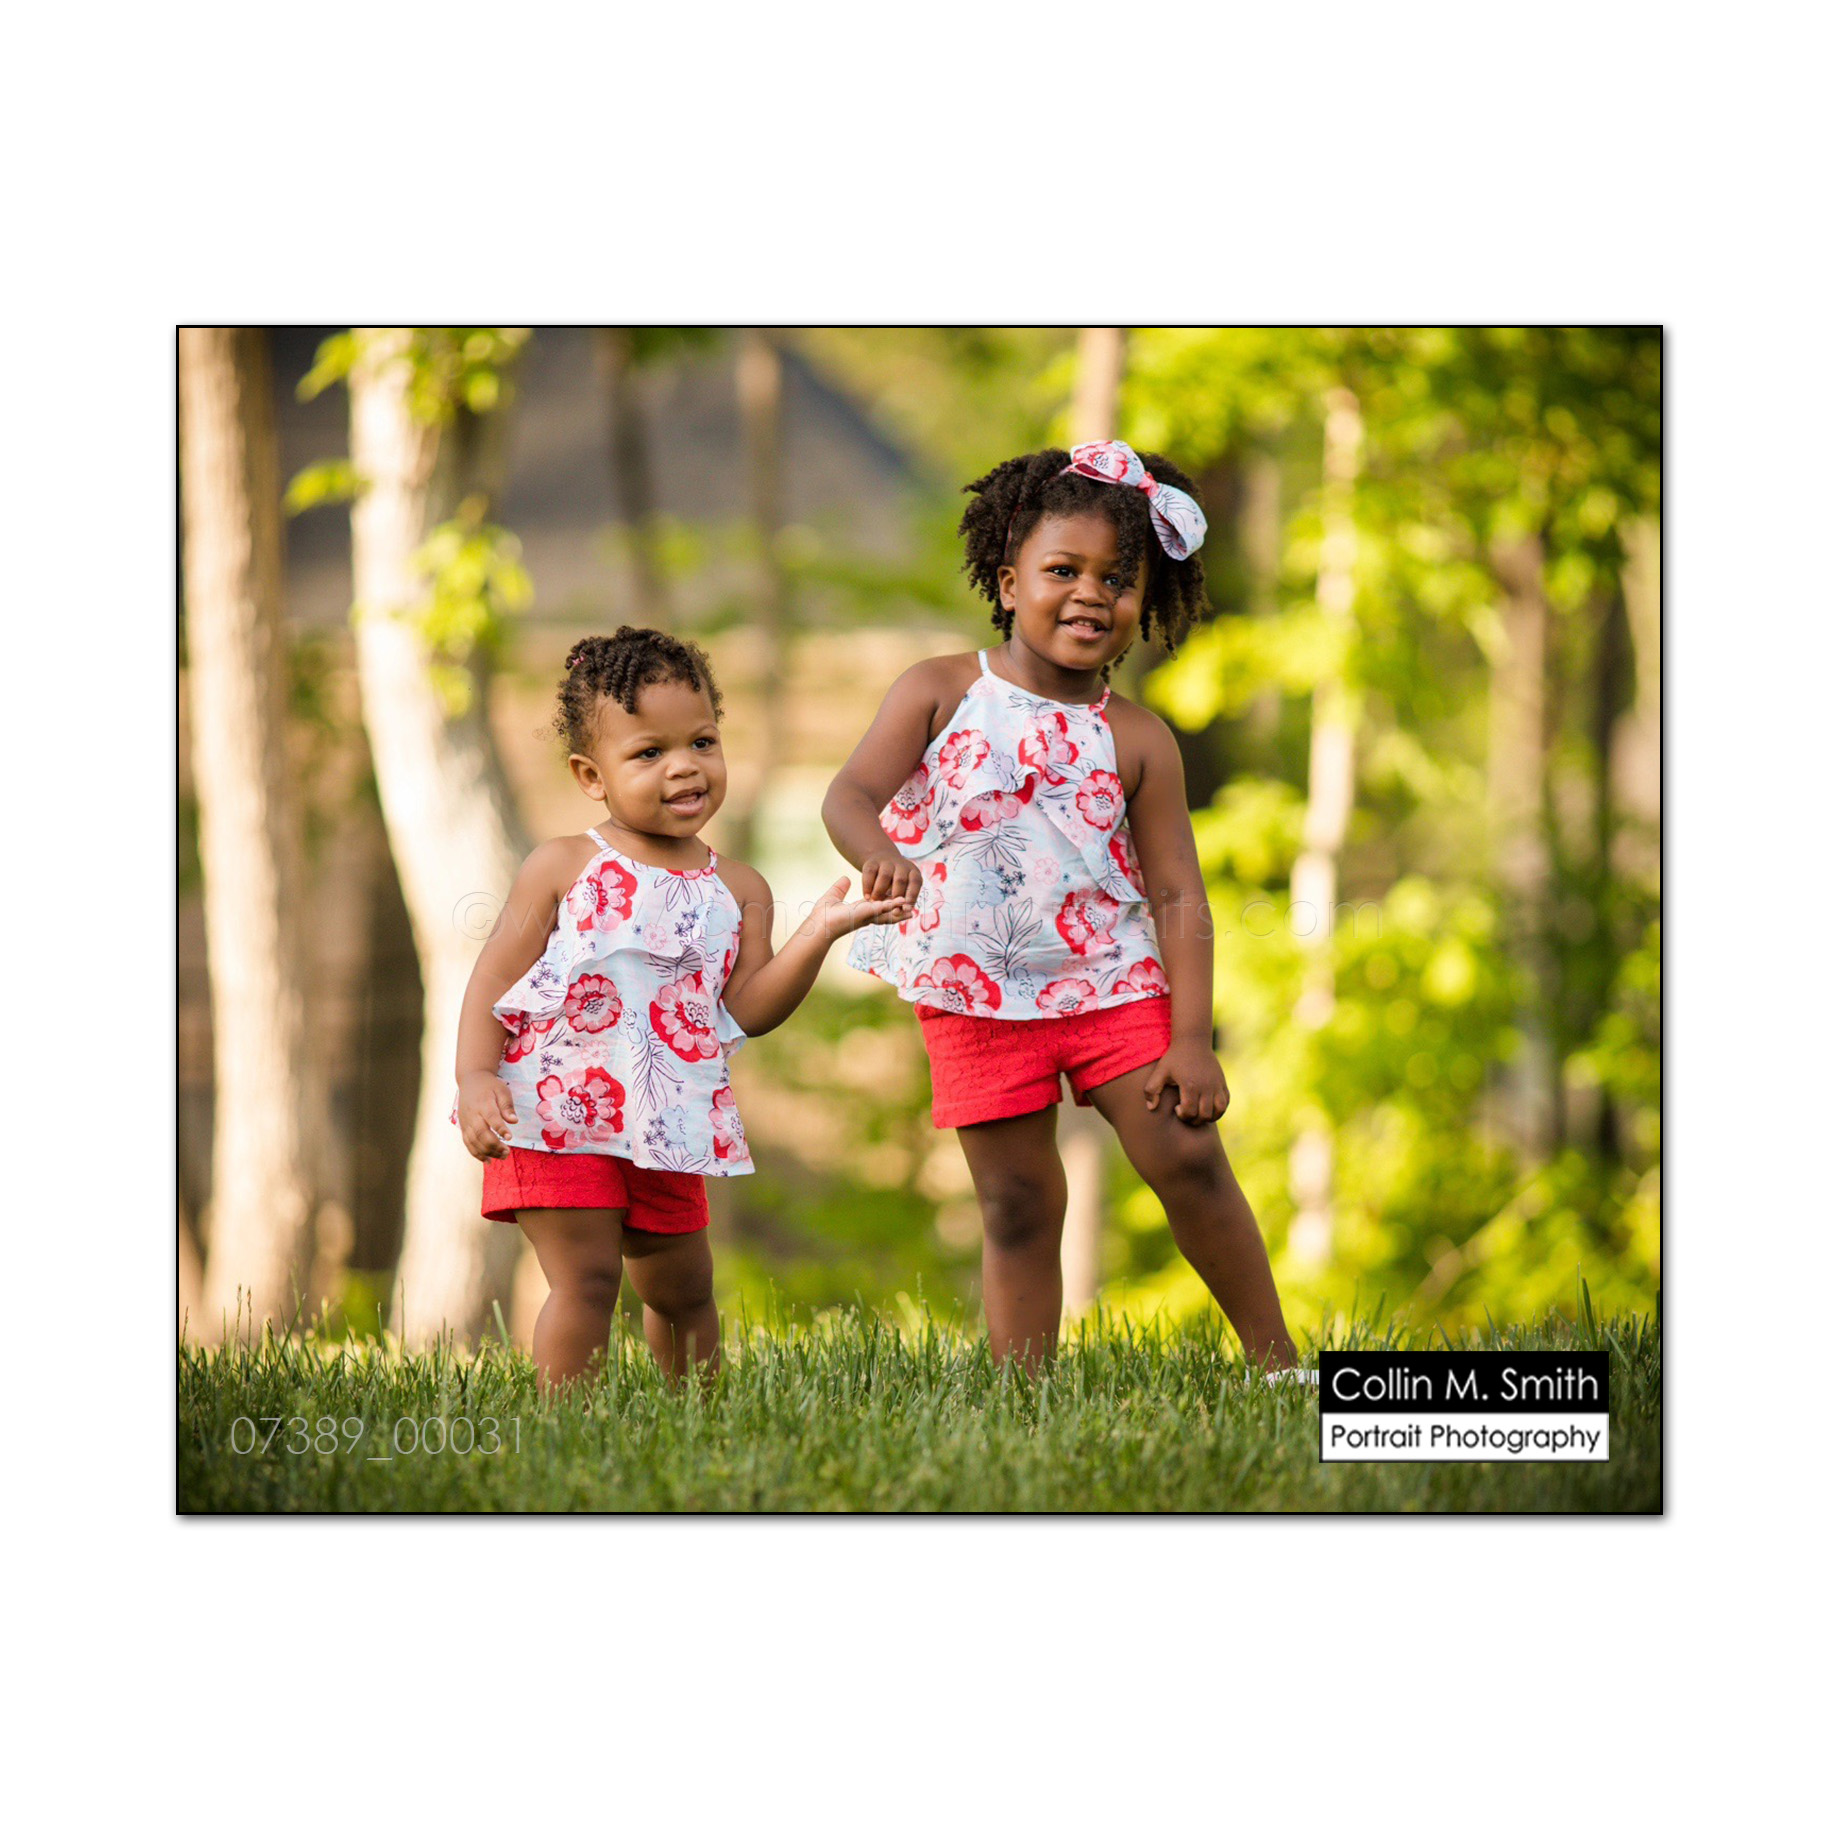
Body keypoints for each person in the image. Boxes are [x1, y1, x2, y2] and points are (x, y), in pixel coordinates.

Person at [824, 442, 1300, 1375]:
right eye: (1063, 571)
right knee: (1018, 1205)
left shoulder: (1139, 738)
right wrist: (878, 854)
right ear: (1008, 584)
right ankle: (1024, 1399)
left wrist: (1192, 1038)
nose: (1091, 593)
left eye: (1118, 579)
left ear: (1144, 604)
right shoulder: (939, 691)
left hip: (1111, 986)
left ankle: (1278, 1365)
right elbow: (849, 796)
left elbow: (1179, 895)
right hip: (974, 994)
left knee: (1187, 1157)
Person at [455, 628, 908, 1389]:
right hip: (557, 1116)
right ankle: (567, 1430)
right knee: (588, 1280)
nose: (685, 765)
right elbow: (493, 978)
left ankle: (699, 1421)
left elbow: (749, 1009)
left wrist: (820, 932)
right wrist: (474, 1077)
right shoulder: (563, 866)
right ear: (591, 775)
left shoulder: (741, 888)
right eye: (649, 753)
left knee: (685, 1289)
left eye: (702, 741)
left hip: (670, 1122)